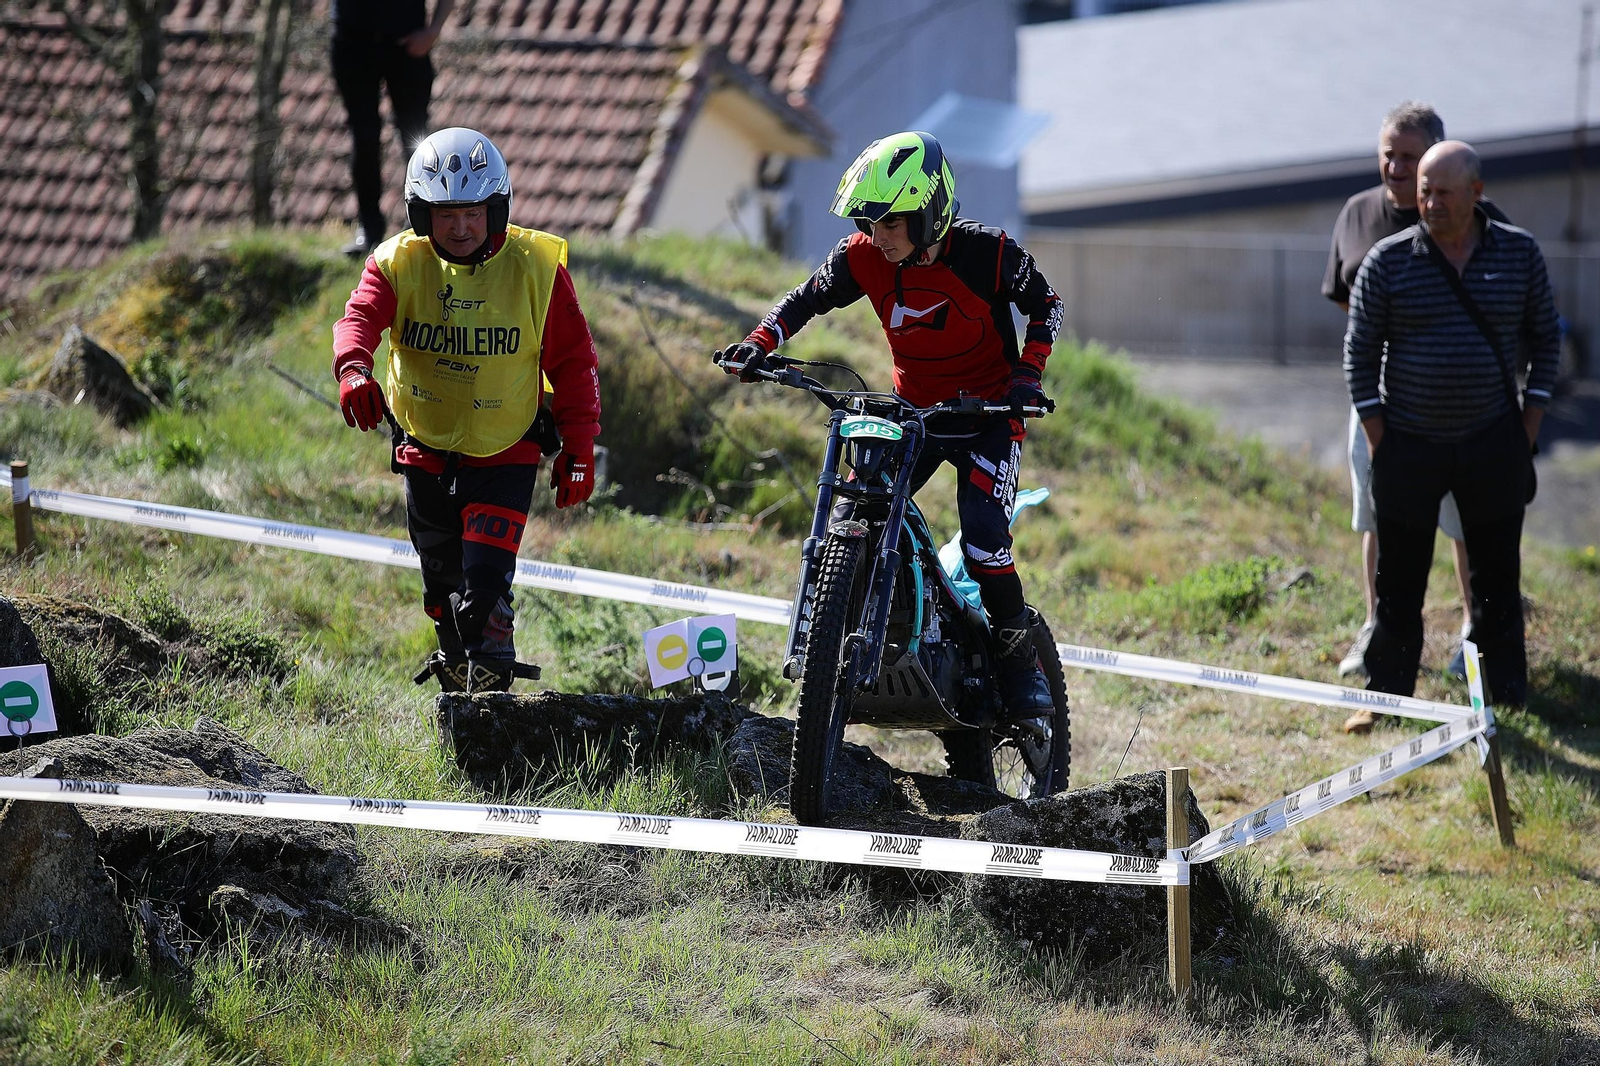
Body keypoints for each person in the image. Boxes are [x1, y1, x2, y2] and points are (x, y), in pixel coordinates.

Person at [718, 131, 1064, 717]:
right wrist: (758, 342)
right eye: (869, 223)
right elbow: (803, 299)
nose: (878, 237)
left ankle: (1016, 659)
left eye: (892, 223)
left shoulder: (990, 253)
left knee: (983, 543)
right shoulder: (862, 255)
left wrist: (1027, 377)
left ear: (932, 211)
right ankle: (845, 638)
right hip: (915, 413)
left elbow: (1046, 304)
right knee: (858, 512)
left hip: (988, 418)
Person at [332, 127, 602, 693]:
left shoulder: (538, 269)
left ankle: (495, 706)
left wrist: (578, 447)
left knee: (484, 593)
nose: (459, 228)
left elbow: (575, 363)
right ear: (420, 212)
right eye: (444, 213)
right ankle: (459, 708)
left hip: (507, 449)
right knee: (443, 597)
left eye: (473, 213)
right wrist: (353, 369)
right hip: (422, 446)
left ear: (497, 209)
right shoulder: (395, 263)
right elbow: (358, 320)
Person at [1344, 140, 1558, 714]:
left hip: (1493, 440)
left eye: (1443, 193)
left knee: (1496, 583)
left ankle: (1503, 699)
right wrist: (1379, 438)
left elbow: (1545, 338)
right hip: (1407, 444)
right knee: (1400, 585)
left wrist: (1528, 426)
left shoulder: (1519, 254)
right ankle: (1389, 698)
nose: (1431, 204)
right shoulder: (1388, 260)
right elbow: (1358, 355)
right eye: (1424, 194)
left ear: (1476, 194)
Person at [1322, 103, 1510, 721]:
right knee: (1378, 519)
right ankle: (1380, 630)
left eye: (1411, 157)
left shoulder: (1482, 224)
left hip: (1460, 412)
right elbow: (1348, 311)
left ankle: (1470, 638)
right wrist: (1373, 411)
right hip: (1377, 404)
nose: (1397, 168)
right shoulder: (1356, 214)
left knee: (1464, 525)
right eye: (1388, 154)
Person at [331, 0, 456, 258]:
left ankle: (421, 226)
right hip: (353, 44)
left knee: (416, 141)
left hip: (408, 45)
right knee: (364, 137)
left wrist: (433, 32)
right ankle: (369, 229)